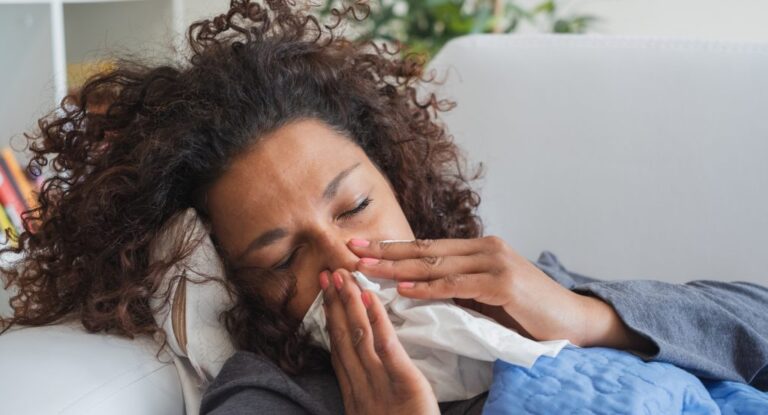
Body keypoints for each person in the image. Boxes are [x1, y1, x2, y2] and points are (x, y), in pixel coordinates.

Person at [0, 0, 765, 414]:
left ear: (398, 178)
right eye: (279, 257)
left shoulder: (520, 296)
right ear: (235, 283)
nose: (340, 259)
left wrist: (589, 317)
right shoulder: (272, 394)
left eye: (356, 205)